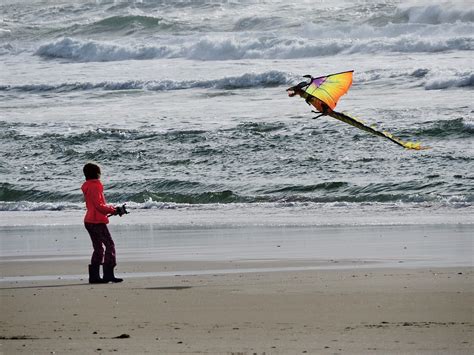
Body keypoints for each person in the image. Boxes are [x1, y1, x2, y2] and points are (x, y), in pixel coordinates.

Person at [82, 163, 126, 284]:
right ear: (97, 173)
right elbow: (99, 206)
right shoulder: (96, 186)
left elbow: (95, 205)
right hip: (96, 222)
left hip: (89, 221)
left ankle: (94, 276)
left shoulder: (87, 186)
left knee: (98, 248)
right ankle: (108, 274)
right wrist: (114, 210)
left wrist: (112, 209)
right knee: (110, 245)